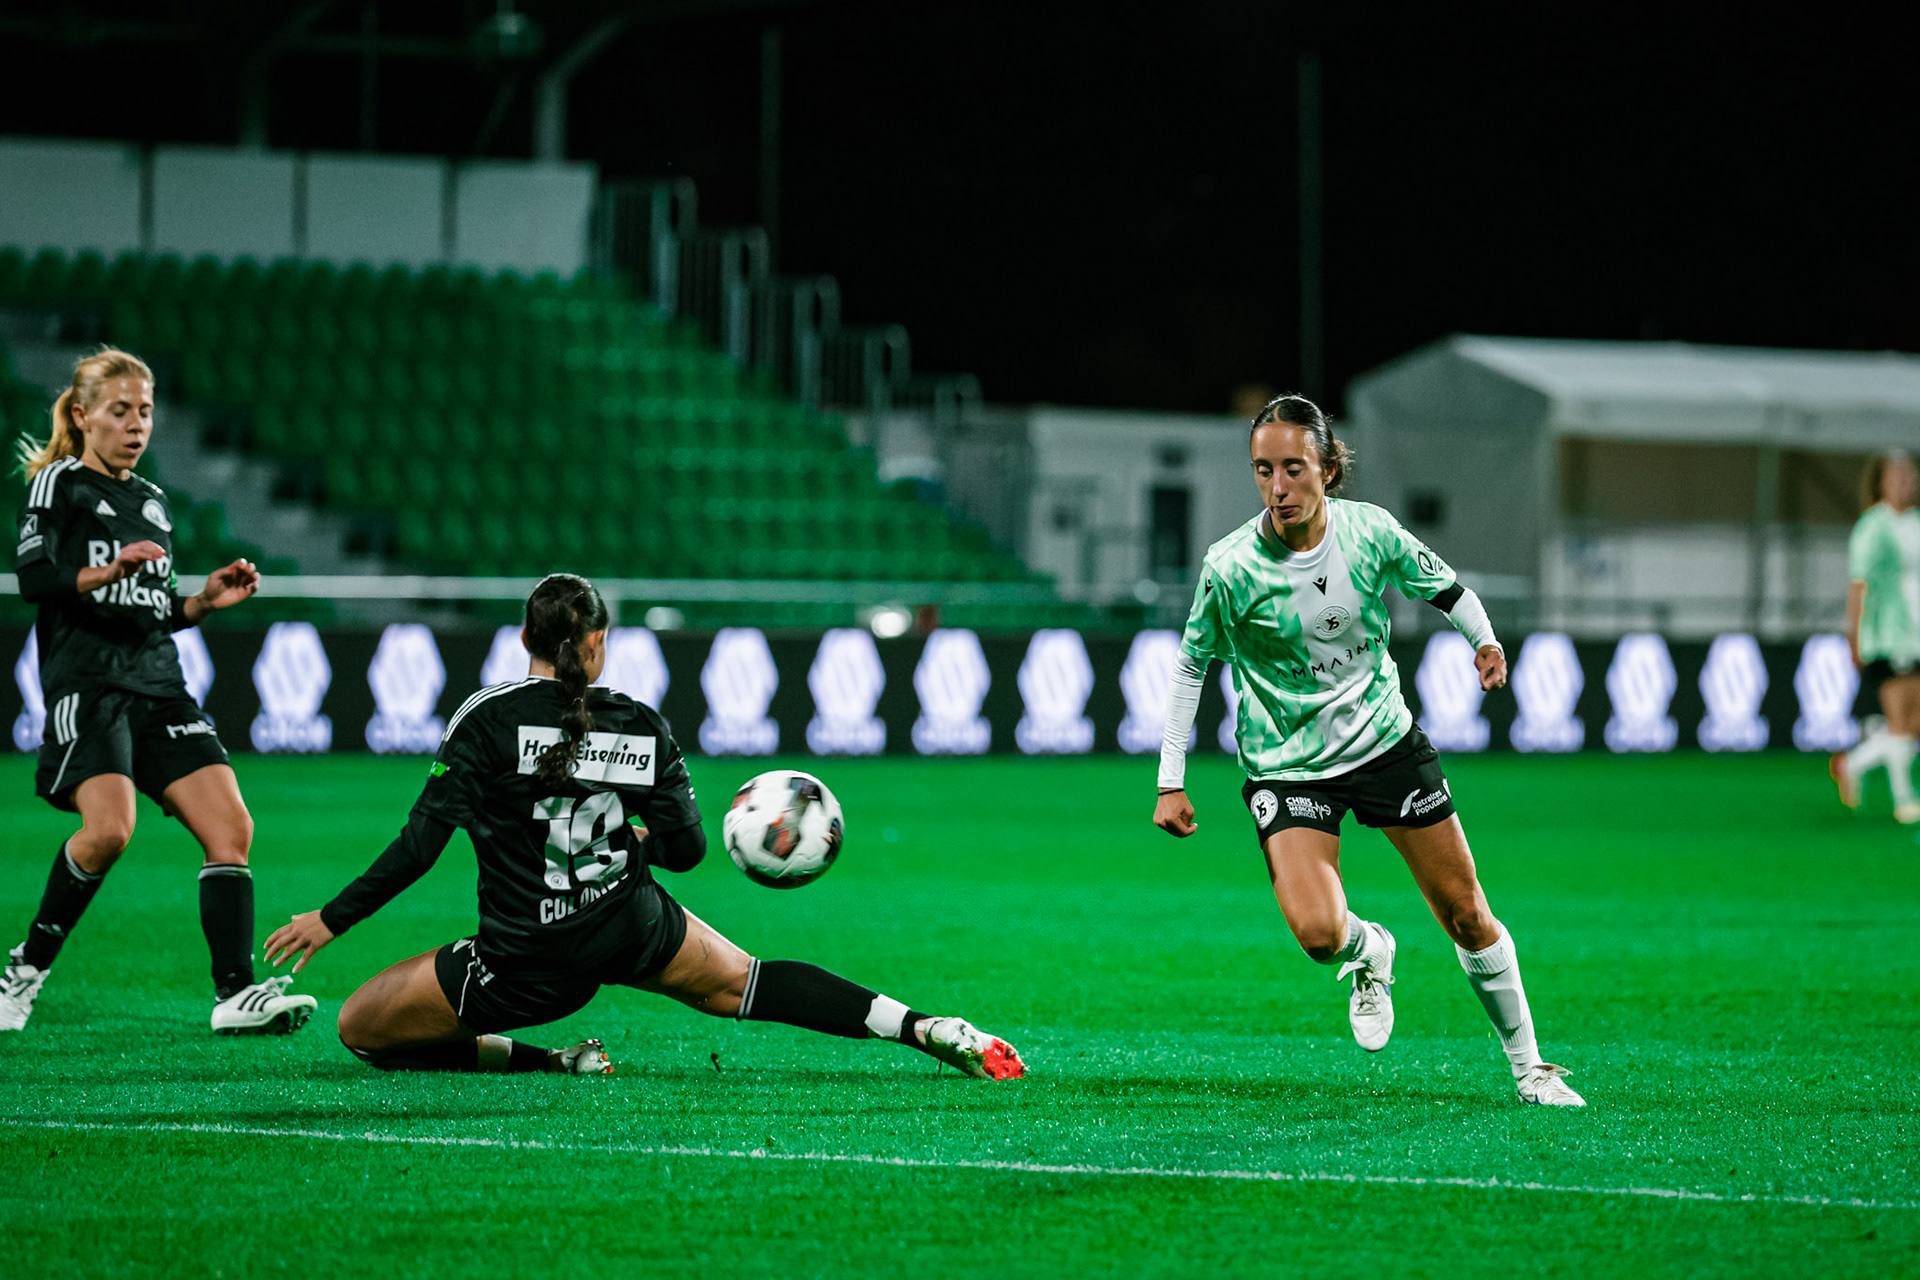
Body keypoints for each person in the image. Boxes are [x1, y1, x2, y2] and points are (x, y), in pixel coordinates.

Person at [263, 573, 1025, 1080]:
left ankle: (556, 1061)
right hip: (633, 925)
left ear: (524, 637)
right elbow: (689, 853)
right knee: (749, 982)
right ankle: (925, 1027)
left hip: (528, 962)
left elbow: (419, 847)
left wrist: (331, 920)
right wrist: (635, 840)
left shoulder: (488, 721)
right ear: (595, 643)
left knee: (362, 1027)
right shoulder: (640, 723)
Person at [1151, 394, 1582, 1107]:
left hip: (1384, 744)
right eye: (1263, 471)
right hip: (1286, 763)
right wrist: (1172, 781)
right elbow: (1192, 666)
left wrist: (1484, 640)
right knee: (1319, 934)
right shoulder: (1229, 567)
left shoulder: (1370, 533)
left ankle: (1532, 1068)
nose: (1278, 487)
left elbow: (1447, 590)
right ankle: (1368, 950)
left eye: (1293, 468)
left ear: (1327, 465)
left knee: (1467, 913)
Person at [0, 348, 315, 1034]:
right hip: (91, 683)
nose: (137, 424)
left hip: (160, 683)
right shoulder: (59, 484)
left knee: (231, 828)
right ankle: (24, 972)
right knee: (109, 831)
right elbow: (35, 580)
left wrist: (200, 602)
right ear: (83, 416)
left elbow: (150, 604)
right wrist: (105, 570)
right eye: (121, 411)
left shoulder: (153, 500)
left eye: (145, 411)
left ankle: (234, 994)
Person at [1829, 451, 1920, 824]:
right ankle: (1905, 800)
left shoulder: (1916, 522)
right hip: (1888, 633)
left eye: (1909, 476)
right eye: (1896, 477)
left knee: (1913, 725)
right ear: (1882, 482)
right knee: (1900, 719)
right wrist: (1856, 635)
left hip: (1917, 632)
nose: (1905, 483)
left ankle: (1852, 763)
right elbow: (1859, 586)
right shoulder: (1872, 527)